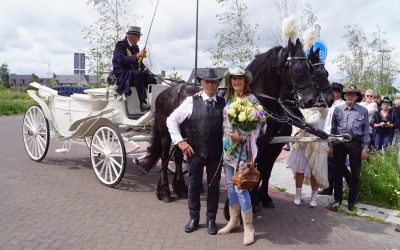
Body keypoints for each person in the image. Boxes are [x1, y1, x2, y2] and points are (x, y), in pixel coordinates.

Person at [166, 68, 225, 235]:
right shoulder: (191, 101)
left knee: (214, 187)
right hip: (195, 152)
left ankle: (211, 219)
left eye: (214, 82)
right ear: (201, 83)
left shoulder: (224, 103)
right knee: (194, 186)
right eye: (207, 81)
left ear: (218, 84)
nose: (210, 84)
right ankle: (194, 218)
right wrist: (180, 142)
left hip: (216, 153)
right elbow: (171, 120)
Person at [217, 66, 260, 246]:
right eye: (233, 79)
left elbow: (260, 127)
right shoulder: (228, 98)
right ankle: (233, 221)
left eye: (239, 78)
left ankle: (249, 226)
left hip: (243, 150)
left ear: (245, 81)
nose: (236, 81)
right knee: (230, 184)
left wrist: (242, 137)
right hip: (227, 149)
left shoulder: (252, 100)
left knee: (241, 187)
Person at [330, 85, 369, 211]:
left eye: (353, 94)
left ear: (357, 96)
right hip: (340, 143)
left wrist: (365, 148)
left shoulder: (363, 111)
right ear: (344, 96)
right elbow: (333, 129)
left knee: (355, 173)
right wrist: (331, 146)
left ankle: (352, 201)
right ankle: (337, 200)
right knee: (337, 172)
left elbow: (366, 130)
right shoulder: (338, 110)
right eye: (347, 94)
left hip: (355, 143)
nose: (350, 96)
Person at [287, 107, 329, 207]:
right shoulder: (302, 109)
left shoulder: (325, 109)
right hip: (302, 144)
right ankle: (298, 195)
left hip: (318, 144)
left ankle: (314, 197)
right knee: (300, 170)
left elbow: (328, 126)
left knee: (315, 171)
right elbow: (295, 125)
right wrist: (293, 137)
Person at [112, 26, 156, 112]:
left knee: (151, 79)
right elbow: (121, 60)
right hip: (122, 73)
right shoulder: (120, 45)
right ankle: (142, 103)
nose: (139, 39)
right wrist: (137, 56)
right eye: (138, 36)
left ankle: (153, 102)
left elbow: (137, 63)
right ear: (131, 36)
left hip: (133, 72)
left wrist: (144, 69)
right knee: (138, 74)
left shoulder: (135, 47)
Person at [319, 82, 351, 196]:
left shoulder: (341, 105)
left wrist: (332, 141)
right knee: (330, 163)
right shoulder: (332, 104)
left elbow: (337, 125)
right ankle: (329, 187)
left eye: (332, 91)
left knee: (338, 164)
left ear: (337, 93)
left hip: (335, 137)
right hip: (328, 135)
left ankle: (352, 184)